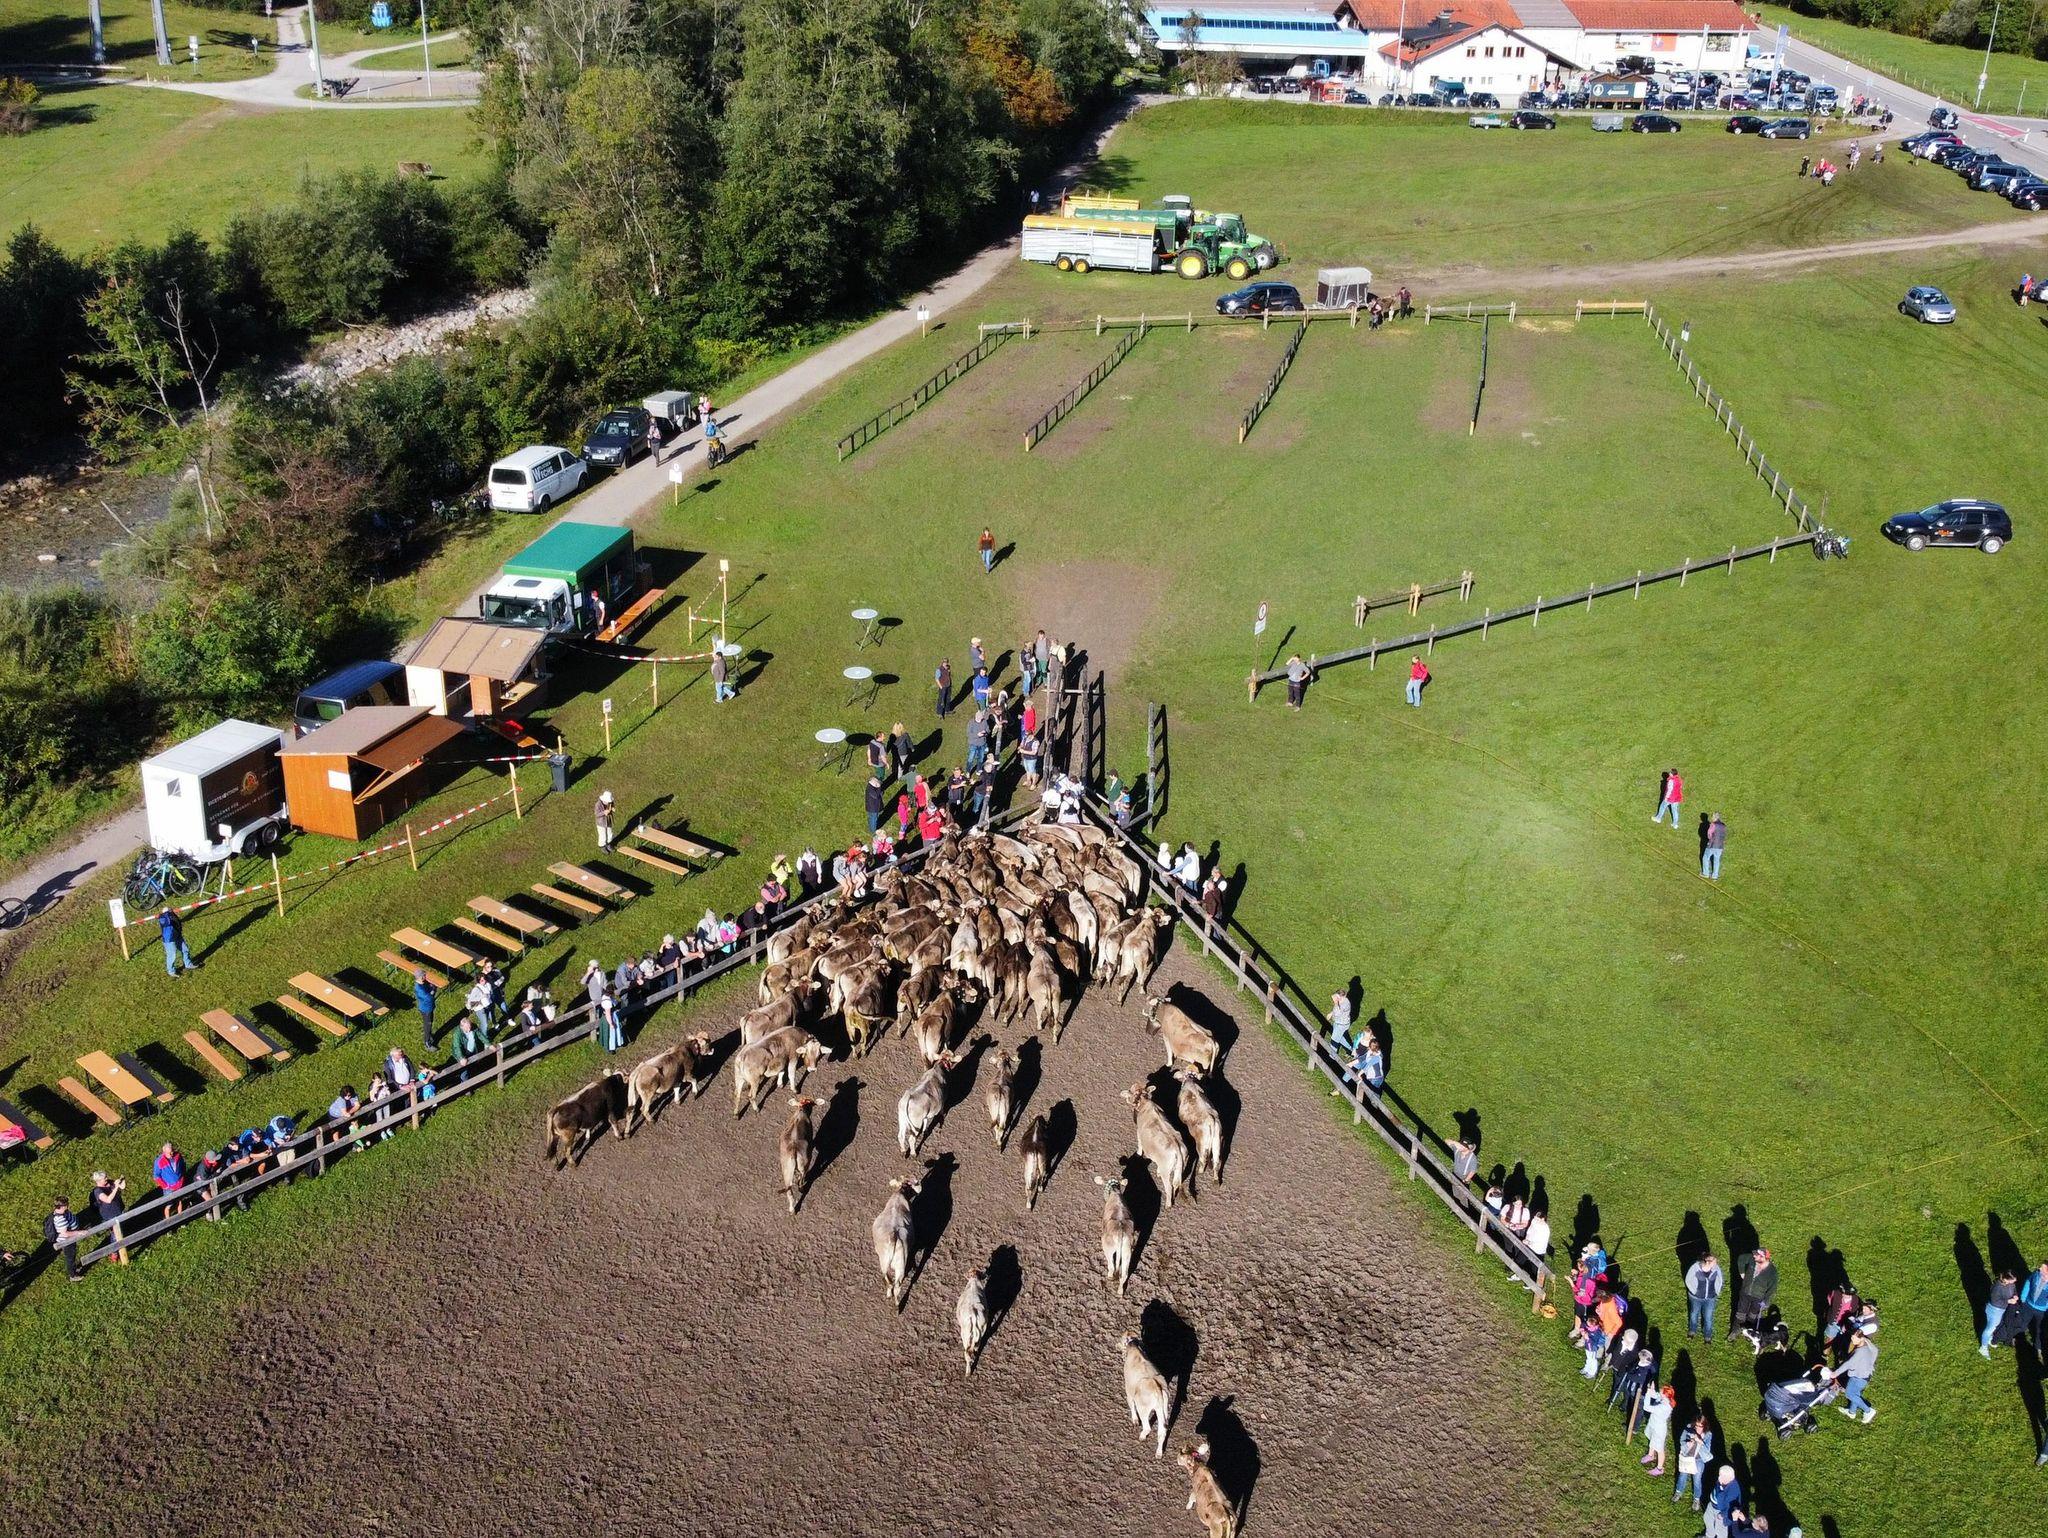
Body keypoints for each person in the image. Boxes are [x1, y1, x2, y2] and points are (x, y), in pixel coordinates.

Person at [89, 1171, 130, 1265]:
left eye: (106, 1177)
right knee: (115, 1235)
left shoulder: (109, 1182)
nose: (107, 1179)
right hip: (109, 1215)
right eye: (105, 1178)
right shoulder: (97, 1191)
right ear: (99, 1181)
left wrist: (122, 1181)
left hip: (118, 1210)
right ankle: (114, 1253)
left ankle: (119, 1247)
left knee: (119, 1231)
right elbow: (108, 1200)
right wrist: (115, 1188)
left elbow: (122, 1187)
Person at [1674, 1414, 1712, 1510]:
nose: (1697, 1428)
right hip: (1687, 1456)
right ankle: (1678, 1492)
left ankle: (1696, 1499)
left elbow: (1707, 1452)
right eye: (1696, 1425)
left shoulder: (1708, 1435)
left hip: (1698, 1459)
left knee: (1697, 1480)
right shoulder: (1689, 1428)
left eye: (1700, 1426)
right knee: (1682, 1476)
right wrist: (1687, 1444)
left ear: (1704, 1426)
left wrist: (1700, 1442)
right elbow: (1682, 1440)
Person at [1686, 1251, 1724, 1342]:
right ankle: (1692, 1330)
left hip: (1710, 1298)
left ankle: (1707, 1335)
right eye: (1714, 1261)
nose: (1716, 1263)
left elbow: (1720, 1279)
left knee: (1708, 1317)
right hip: (1696, 1298)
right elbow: (1688, 1280)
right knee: (1694, 1314)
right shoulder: (1695, 1268)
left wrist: (1717, 1291)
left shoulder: (1716, 1268)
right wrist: (1694, 1291)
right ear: (1707, 1262)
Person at [45, 1195, 84, 1282]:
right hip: (67, 1241)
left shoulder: (61, 1212)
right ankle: (73, 1275)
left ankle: (73, 1269)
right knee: (70, 1257)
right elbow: (65, 1233)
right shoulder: (60, 1219)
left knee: (72, 1256)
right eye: (67, 1204)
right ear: (62, 1206)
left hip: (69, 1238)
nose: (68, 1205)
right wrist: (79, 1232)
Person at [1983, 1268, 2018, 1356]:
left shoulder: (2011, 1284)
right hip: (1995, 1310)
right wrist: (2008, 1301)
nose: (2014, 1282)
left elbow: (2014, 1290)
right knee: (1990, 1329)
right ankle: (1983, 1347)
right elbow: (1995, 1301)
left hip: (2003, 1309)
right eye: (2012, 1280)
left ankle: (1991, 1337)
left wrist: (2015, 1295)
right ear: (2006, 1279)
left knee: (1996, 1325)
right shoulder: (1997, 1287)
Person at [1704, 1464, 1743, 1538]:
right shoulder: (1722, 1481)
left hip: (1720, 1511)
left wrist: (1722, 1515)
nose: (1718, 1477)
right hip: (1712, 1505)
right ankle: (1709, 1535)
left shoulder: (1733, 1490)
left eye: (1720, 1475)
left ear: (1727, 1478)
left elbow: (1732, 1507)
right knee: (1707, 1519)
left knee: (1720, 1530)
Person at [158, 906, 195, 978]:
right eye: (170, 910)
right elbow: (168, 922)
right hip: (169, 939)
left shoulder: (171, 915)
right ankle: (171, 971)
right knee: (172, 955)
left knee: (185, 949)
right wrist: (168, 913)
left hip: (177, 935)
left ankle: (188, 964)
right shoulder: (165, 917)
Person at [153, 1142, 187, 1215]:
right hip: (169, 1188)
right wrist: (165, 1186)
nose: (171, 1154)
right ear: (164, 1152)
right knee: (169, 1205)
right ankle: (168, 1220)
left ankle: (180, 1218)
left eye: (172, 1151)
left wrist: (182, 1176)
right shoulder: (159, 1161)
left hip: (179, 1185)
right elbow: (156, 1176)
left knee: (179, 1201)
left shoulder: (178, 1156)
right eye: (169, 1153)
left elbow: (183, 1165)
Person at [413, 968, 438, 1052]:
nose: (425, 976)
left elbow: (430, 987)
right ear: (421, 977)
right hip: (426, 1009)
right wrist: (433, 990)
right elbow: (429, 998)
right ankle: (427, 1043)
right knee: (428, 1025)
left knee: (429, 1022)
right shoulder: (419, 989)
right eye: (424, 975)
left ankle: (429, 1035)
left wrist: (432, 987)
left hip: (428, 1007)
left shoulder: (424, 983)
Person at [1703, 812, 1727, 880]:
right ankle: (1715, 875)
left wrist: (1709, 839)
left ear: (1715, 817)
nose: (1712, 818)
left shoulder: (1713, 824)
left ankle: (1706, 873)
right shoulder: (1723, 825)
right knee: (1717, 861)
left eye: (1713, 817)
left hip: (1712, 845)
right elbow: (1724, 835)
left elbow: (1709, 834)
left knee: (1705, 857)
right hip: (1720, 846)